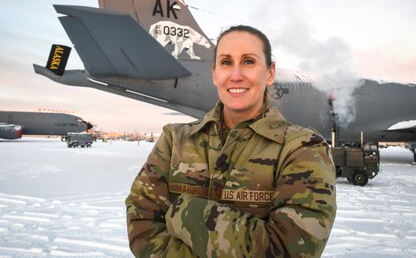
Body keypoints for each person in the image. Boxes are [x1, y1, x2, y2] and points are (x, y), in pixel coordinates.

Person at [126, 25, 336, 257]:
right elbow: (142, 226)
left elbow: (290, 249)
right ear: (215, 73)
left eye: (248, 61)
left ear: (270, 72)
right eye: (226, 62)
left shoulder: (302, 148)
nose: (236, 75)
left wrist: (186, 212)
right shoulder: (174, 141)